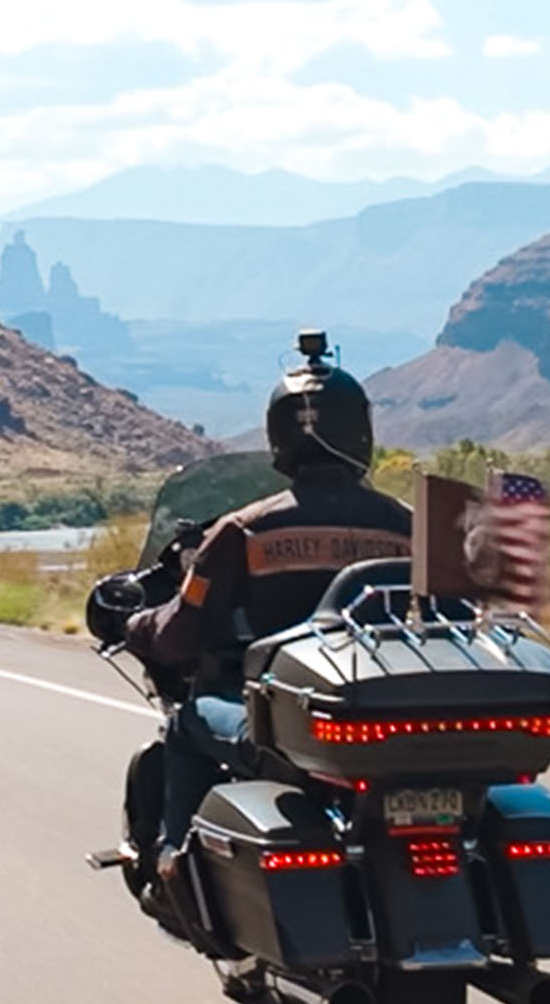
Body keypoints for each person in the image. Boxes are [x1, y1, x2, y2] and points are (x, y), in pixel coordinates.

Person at [125, 334, 412, 887]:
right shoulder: (410, 526)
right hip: (399, 725)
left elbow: (182, 633)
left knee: (187, 726)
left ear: (279, 435)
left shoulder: (243, 531)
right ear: (361, 432)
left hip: (292, 725)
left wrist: (138, 625)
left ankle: (174, 861)